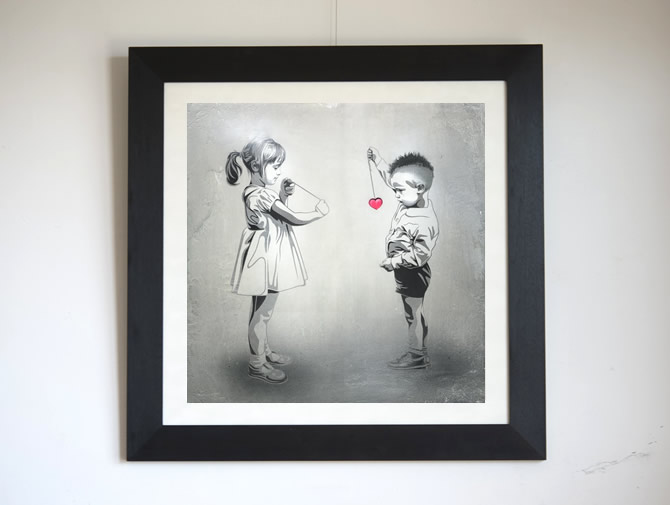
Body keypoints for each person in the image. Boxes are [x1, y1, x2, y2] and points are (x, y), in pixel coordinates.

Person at [226, 137, 329, 384]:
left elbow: (275, 216)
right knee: (262, 313)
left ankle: (263, 352)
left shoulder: (256, 193)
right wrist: (318, 213)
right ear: (255, 167)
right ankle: (257, 363)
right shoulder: (261, 195)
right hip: (265, 260)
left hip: (265, 257)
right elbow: (291, 218)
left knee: (261, 311)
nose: (279, 171)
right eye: (274, 166)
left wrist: (282, 194)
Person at [367, 148, 439, 369]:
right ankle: (419, 353)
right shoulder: (411, 198)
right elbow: (391, 179)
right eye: (395, 189)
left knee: (413, 314)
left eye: (399, 191)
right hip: (405, 270)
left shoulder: (424, 220)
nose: (395, 194)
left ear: (419, 188)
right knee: (412, 313)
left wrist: (393, 262)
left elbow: (420, 255)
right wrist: (377, 160)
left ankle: (417, 356)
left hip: (413, 272)